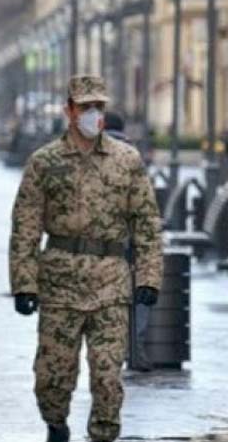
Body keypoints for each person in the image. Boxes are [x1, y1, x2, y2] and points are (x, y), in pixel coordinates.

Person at [9, 75, 163, 442]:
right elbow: (25, 228)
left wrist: (149, 278)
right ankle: (56, 425)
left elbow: (146, 224)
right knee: (53, 375)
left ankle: (103, 435)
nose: (94, 114)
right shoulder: (44, 162)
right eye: (86, 107)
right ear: (69, 110)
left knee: (108, 374)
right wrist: (23, 284)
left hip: (110, 280)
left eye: (99, 107)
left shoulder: (126, 160)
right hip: (60, 281)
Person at [104, 111, 155, 372]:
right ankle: (133, 345)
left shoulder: (86, 152)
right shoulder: (133, 155)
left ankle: (108, 347)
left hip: (97, 242)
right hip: (130, 239)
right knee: (140, 293)